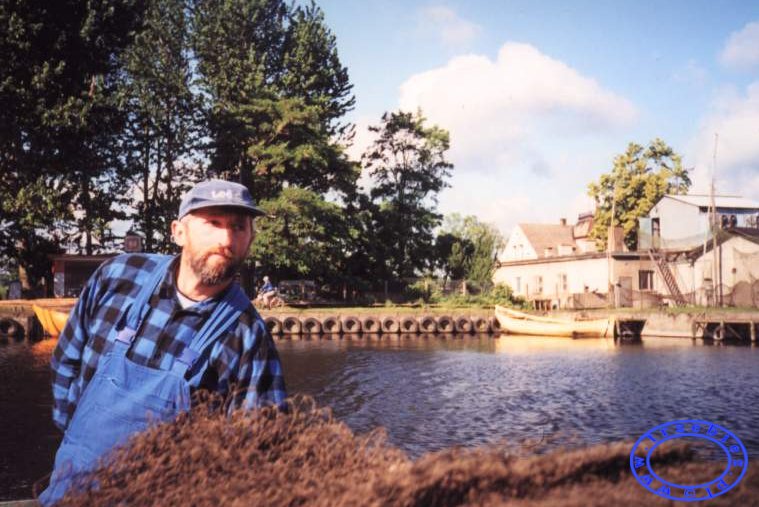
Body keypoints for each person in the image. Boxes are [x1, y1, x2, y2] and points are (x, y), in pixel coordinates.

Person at [40, 180, 287, 505]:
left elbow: (258, 451)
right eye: (213, 223)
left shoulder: (249, 336)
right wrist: (80, 442)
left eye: (238, 227)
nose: (226, 239)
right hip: (71, 488)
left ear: (250, 240)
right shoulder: (118, 276)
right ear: (179, 232)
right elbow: (66, 361)